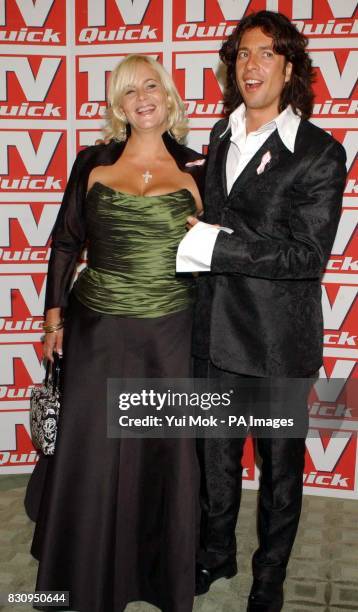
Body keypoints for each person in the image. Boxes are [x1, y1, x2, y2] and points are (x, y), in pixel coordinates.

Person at [176, 11, 347, 612]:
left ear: (290, 66)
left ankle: (269, 577)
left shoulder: (320, 153)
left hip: (276, 342)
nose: (251, 65)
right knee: (213, 462)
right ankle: (215, 555)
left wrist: (217, 242)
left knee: (279, 475)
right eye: (243, 54)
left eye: (266, 54)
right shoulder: (218, 136)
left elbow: (307, 255)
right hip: (213, 332)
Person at [25, 54, 206, 612]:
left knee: (163, 455)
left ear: (168, 95)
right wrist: (54, 318)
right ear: (118, 105)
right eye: (129, 91)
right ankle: (79, 577)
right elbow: (63, 243)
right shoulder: (92, 162)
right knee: (94, 454)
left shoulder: (201, 167)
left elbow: (222, 248)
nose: (142, 98)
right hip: (97, 328)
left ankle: (155, 578)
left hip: (170, 332)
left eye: (151, 85)